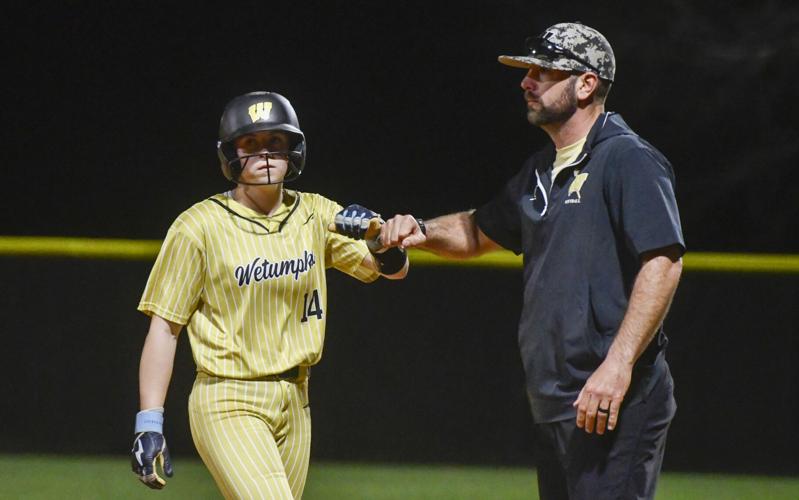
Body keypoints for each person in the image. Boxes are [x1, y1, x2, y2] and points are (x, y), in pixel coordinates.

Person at [381, 22, 684, 500]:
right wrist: (420, 229)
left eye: (544, 72)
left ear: (586, 84)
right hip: (558, 400)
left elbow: (663, 262)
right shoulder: (541, 170)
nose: (527, 82)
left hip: (614, 399)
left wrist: (618, 365)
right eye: (528, 72)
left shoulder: (627, 159)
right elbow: (478, 231)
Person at [129, 91, 407, 499]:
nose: (264, 154)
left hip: (296, 399)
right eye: (250, 143)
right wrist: (149, 422)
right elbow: (165, 327)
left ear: (293, 150)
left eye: (275, 142)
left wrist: (380, 239)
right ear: (230, 154)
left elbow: (391, 270)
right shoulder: (197, 226)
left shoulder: (315, 213)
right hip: (228, 399)